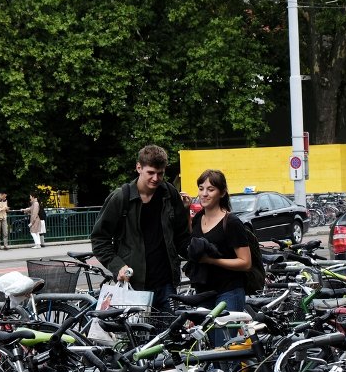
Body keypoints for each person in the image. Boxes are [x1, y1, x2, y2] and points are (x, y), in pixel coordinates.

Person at [91, 145, 191, 314]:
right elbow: (99, 239)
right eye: (150, 173)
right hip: (134, 285)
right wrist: (118, 266)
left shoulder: (169, 193)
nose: (156, 178)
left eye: (160, 173)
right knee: (136, 338)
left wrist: (199, 254)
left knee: (169, 338)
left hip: (166, 284)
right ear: (139, 167)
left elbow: (181, 235)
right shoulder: (121, 197)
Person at [187, 169, 251, 344]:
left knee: (225, 348)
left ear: (222, 193)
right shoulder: (198, 217)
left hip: (228, 290)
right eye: (201, 188)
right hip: (204, 292)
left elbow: (245, 263)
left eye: (211, 189)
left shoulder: (231, 222)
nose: (204, 194)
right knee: (209, 349)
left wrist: (211, 261)